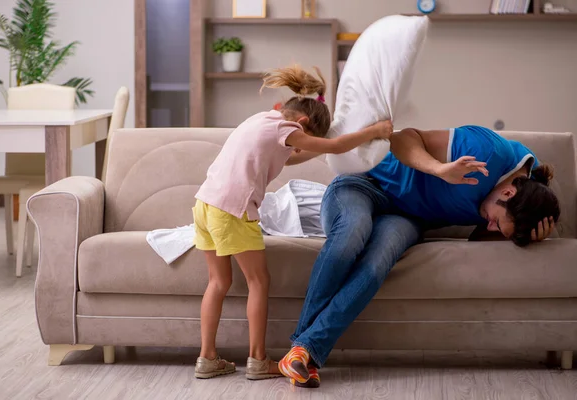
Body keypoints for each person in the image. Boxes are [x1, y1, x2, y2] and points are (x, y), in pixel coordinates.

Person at [278, 125, 560, 388]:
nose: (490, 227)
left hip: (405, 218)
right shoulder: (488, 150)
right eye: (497, 223)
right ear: (507, 192)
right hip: (363, 182)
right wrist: (439, 169)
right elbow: (403, 137)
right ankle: (302, 348)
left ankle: (300, 352)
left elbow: (478, 239)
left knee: (377, 262)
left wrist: (530, 237)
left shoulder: (527, 195)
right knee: (353, 232)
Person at [192, 65, 394, 380]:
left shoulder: (262, 121)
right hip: (234, 209)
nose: (300, 145)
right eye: (303, 139)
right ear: (300, 123)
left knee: (217, 283)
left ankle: (207, 359)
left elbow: (291, 157)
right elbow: (334, 146)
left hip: (205, 204)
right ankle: (258, 361)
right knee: (259, 282)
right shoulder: (285, 129)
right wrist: (374, 132)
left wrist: (310, 150)